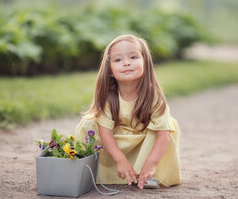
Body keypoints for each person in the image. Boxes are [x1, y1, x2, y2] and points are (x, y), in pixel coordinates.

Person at [74, 34, 181, 189]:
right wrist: (121, 161)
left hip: (141, 141)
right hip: (115, 140)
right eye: (118, 60)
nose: (126, 63)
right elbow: (106, 134)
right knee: (90, 124)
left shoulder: (153, 96)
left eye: (133, 57)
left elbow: (163, 135)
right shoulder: (108, 97)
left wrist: (151, 163)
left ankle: (149, 174)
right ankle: (98, 171)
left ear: (145, 63)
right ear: (110, 70)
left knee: (167, 127)